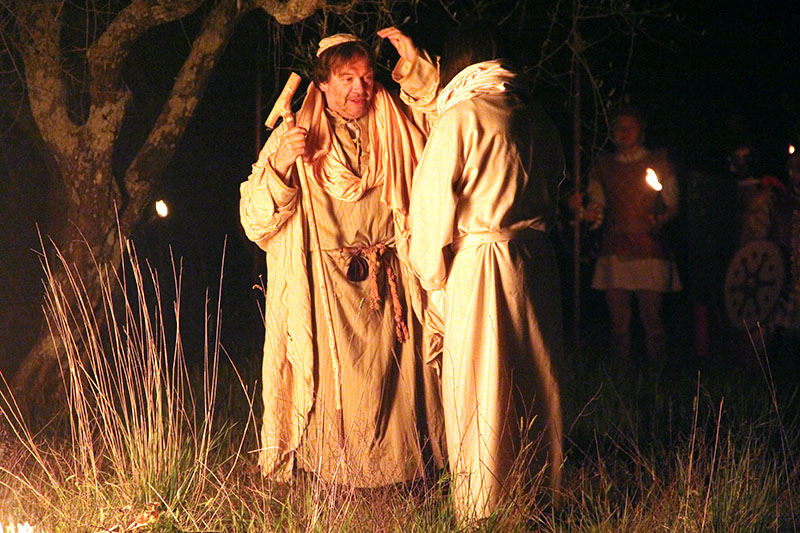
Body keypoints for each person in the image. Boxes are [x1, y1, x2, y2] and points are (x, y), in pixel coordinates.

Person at [239, 30, 446, 487]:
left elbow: (441, 124)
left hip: (390, 278)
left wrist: (414, 65)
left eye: (368, 77)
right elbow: (255, 222)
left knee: (396, 378)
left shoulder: (394, 123)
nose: (360, 88)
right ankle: (334, 476)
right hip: (326, 289)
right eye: (347, 77)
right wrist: (280, 167)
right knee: (338, 384)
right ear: (324, 84)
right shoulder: (296, 132)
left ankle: (404, 473)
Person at [407, 21, 564, 521]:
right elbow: (556, 184)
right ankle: (540, 496)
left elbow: (431, 209)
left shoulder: (462, 117)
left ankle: (485, 507)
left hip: (482, 265)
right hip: (536, 265)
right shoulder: (535, 115)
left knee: (481, 383)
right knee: (534, 381)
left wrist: (432, 281)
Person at [571, 105, 681, 364]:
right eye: (617, 128)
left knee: (652, 319)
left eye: (628, 127)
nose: (622, 133)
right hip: (615, 247)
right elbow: (597, 209)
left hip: (649, 248)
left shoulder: (658, 162)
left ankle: (659, 377)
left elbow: (672, 204)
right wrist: (584, 212)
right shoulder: (604, 165)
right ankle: (620, 379)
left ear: (640, 130)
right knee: (619, 322)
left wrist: (662, 218)